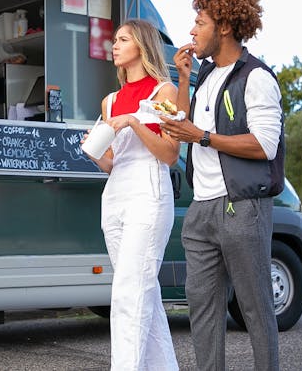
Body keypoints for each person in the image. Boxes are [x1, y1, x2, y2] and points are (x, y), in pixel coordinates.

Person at [161, 0, 284, 371]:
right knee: (203, 310)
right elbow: (187, 125)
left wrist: (203, 137)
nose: (193, 31)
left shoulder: (257, 76)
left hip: (243, 209)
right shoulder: (207, 74)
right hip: (202, 211)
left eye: (200, 23)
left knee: (255, 309)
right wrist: (183, 80)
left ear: (225, 27)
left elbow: (264, 144)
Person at [84, 19, 180, 370]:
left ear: (141, 45)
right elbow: (113, 163)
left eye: (123, 39)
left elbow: (170, 155)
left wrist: (136, 122)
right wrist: (95, 152)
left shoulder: (164, 92)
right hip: (115, 196)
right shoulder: (109, 101)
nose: (115, 45)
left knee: (128, 293)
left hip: (149, 193)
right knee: (144, 295)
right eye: (115, 40)